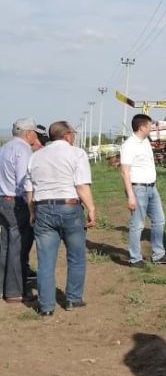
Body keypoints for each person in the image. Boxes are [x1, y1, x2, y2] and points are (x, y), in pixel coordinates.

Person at [25, 121, 96, 316]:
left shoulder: (36, 157)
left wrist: (32, 211)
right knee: (76, 256)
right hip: (70, 207)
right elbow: (81, 185)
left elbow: (29, 189)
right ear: (66, 135)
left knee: (45, 260)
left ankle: (46, 307)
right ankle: (73, 299)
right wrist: (91, 208)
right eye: (72, 133)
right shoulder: (77, 154)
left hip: (43, 209)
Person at [120, 113, 166, 267]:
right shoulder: (129, 145)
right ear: (142, 127)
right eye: (150, 125)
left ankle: (159, 254)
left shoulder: (145, 141)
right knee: (137, 224)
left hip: (152, 187)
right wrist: (130, 195)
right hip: (138, 189)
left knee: (159, 220)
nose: (152, 128)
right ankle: (135, 258)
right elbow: (125, 171)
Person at [0, 118, 38, 303]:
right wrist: (31, 206)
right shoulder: (23, 149)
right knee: (18, 246)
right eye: (34, 132)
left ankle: (2, 286)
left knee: (6, 244)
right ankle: (15, 291)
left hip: (3, 199)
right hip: (17, 202)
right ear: (28, 133)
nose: (36, 136)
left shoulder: (4, 148)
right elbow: (25, 181)